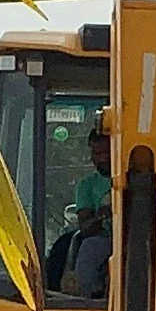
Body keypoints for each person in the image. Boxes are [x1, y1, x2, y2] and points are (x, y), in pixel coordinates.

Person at [48, 126, 113, 295]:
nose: (100, 159)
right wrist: (103, 214)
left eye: (105, 153)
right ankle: (83, 298)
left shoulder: (141, 178)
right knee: (89, 248)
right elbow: (85, 227)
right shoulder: (87, 186)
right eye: (96, 154)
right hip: (105, 239)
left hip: (142, 238)